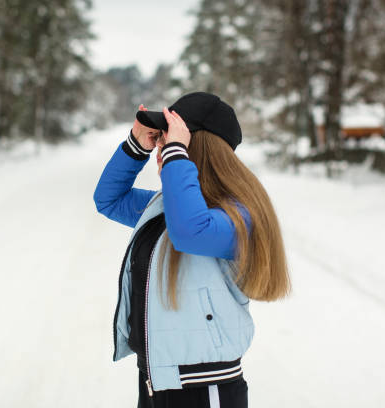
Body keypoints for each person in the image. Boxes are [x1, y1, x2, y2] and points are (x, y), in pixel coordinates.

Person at [93, 91, 291, 408]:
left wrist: (175, 155)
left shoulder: (238, 216)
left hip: (207, 388)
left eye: (169, 138)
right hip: (157, 379)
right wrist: (135, 146)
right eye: (160, 139)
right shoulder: (166, 206)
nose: (160, 146)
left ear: (197, 146)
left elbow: (190, 231)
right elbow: (109, 199)